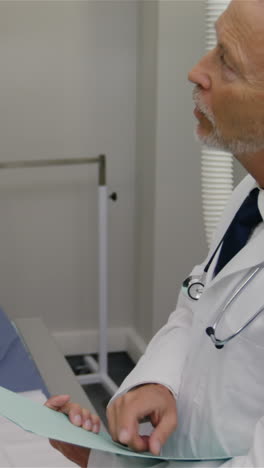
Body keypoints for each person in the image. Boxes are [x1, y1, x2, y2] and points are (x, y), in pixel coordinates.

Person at [46, 0, 264, 466]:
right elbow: (198, 305)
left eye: (227, 60)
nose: (196, 71)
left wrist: (103, 464)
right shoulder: (252, 196)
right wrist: (157, 380)